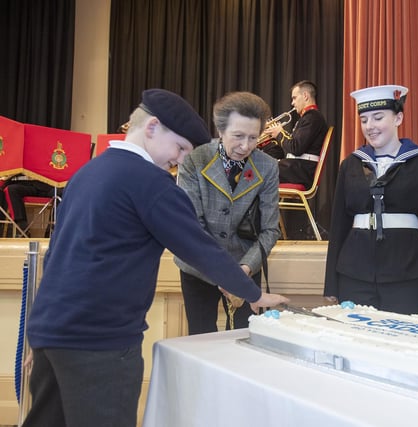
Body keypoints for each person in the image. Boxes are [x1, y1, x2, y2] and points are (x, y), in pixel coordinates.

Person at [23, 88, 289, 427]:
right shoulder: (151, 183)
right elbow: (198, 246)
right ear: (151, 127)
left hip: (52, 331)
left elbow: (56, 254)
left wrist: (40, 331)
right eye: (179, 148)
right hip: (100, 341)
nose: (179, 160)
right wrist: (254, 293)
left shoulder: (87, 173)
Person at [323, 85, 418, 315]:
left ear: (398, 118)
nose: (370, 126)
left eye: (378, 117)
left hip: (407, 273)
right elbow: (338, 225)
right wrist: (331, 281)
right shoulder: (350, 164)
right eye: (364, 119)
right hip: (354, 273)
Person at [174, 92, 280, 334]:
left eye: (253, 137)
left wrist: (242, 270)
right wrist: (222, 273)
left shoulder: (268, 167)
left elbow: (270, 229)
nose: (246, 146)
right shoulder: (194, 159)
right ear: (220, 131)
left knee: (245, 338)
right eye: (238, 136)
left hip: (244, 266)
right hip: (198, 267)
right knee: (201, 339)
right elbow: (192, 226)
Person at [264, 80, 328, 189]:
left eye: (294, 98)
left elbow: (295, 149)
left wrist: (280, 133)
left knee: (255, 170)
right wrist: (273, 136)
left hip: (301, 171)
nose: (292, 103)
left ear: (305, 96)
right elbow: (293, 146)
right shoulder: (308, 117)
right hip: (297, 168)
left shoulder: (312, 117)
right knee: (257, 165)